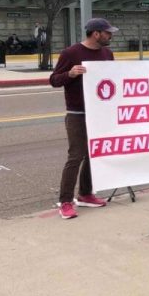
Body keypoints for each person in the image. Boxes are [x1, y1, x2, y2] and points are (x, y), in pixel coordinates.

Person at [49, 18, 117, 219]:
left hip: (99, 112)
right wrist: (69, 74)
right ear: (96, 33)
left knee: (92, 155)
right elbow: (54, 80)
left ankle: (86, 194)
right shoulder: (71, 53)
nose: (111, 35)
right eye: (108, 32)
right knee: (76, 155)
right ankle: (66, 201)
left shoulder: (107, 53)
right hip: (77, 113)